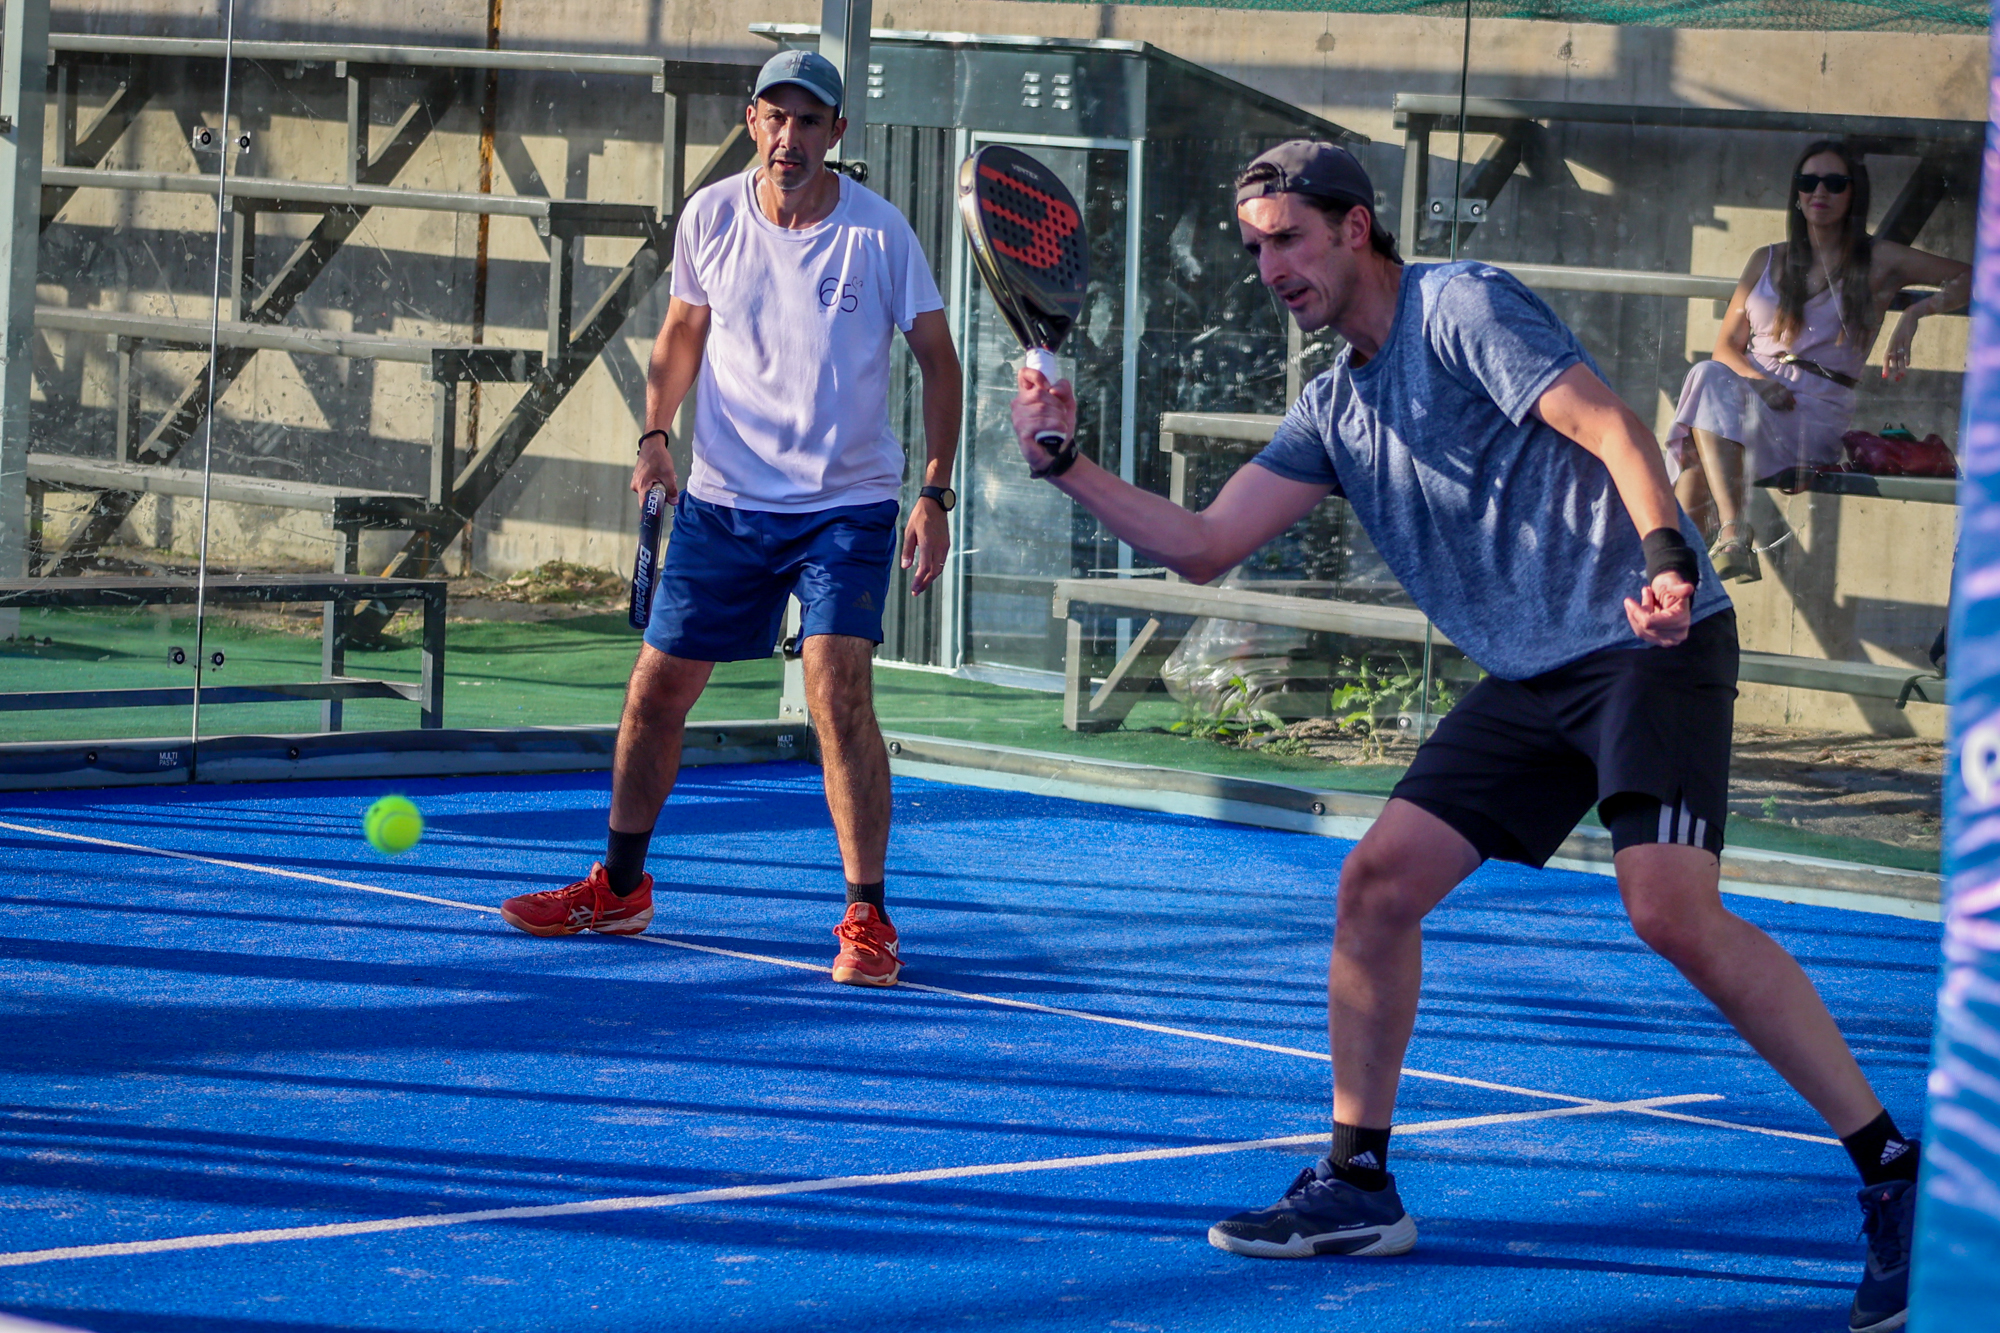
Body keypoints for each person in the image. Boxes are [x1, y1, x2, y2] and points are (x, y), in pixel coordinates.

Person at [1010, 140, 1921, 1333]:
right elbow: (1201, 544)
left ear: (1354, 227)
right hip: (1532, 672)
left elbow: (1610, 426)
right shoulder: (1332, 407)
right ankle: (1356, 1182)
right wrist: (1064, 463)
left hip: (1642, 635)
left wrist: (1661, 556)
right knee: (1376, 883)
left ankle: (1896, 1174)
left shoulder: (1460, 306)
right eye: (1253, 247)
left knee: (1665, 910)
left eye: (1287, 238)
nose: (1269, 266)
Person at [497, 50, 963, 989]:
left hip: (845, 506)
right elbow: (682, 331)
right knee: (654, 692)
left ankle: (869, 917)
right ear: (752, 121)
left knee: (836, 690)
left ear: (836, 133)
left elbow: (939, 361)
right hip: (724, 503)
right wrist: (655, 434)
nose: (790, 137)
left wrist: (934, 491)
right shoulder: (710, 215)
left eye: (809, 121)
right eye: (774, 117)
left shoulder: (878, 234)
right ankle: (619, 888)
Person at [1668, 139, 1970, 582]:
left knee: (1700, 451)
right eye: (1808, 182)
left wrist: (1916, 313)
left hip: (1813, 411)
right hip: (1751, 395)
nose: (1819, 192)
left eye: (1834, 183)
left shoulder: (1878, 259)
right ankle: (1691, 575)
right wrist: (1760, 382)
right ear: (1796, 193)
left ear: (1853, 194)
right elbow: (1726, 348)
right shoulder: (1767, 258)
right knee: (1705, 401)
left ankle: (1708, 553)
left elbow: (1973, 275)